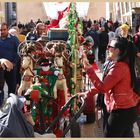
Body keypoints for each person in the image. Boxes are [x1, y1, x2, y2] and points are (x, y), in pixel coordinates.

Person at [79, 37, 139, 137]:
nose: (107, 49)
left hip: (121, 112)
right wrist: (88, 93)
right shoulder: (120, 65)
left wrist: (89, 70)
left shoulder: (119, 67)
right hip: (128, 110)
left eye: (110, 46)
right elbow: (108, 84)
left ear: (117, 50)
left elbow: (103, 87)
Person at [0, 22, 20, 96]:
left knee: (12, 88)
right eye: (0, 30)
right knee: (0, 89)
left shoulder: (14, 39)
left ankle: (10, 104)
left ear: (7, 29)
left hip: (11, 68)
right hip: (0, 67)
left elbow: (18, 53)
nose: (2, 31)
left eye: (4, 29)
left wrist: (13, 63)